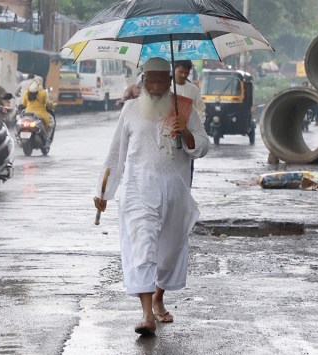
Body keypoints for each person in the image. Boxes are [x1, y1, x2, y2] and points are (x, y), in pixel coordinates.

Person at [93, 57, 209, 336]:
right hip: (137, 189)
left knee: (168, 252)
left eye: (160, 81)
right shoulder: (131, 109)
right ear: (142, 82)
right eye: (150, 81)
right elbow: (116, 152)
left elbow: (204, 145)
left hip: (174, 189)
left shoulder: (184, 108)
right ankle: (146, 314)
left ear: (169, 82)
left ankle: (158, 297)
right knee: (141, 247)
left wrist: (188, 135)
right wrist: (103, 191)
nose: (155, 87)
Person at [171, 60, 206, 186]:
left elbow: (200, 110)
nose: (183, 75)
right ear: (174, 69)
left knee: (187, 164)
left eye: (186, 73)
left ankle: (186, 190)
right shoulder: (167, 87)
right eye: (180, 72)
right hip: (168, 133)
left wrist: (196, 130)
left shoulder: (193, 90)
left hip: (187, 132)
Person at [22, 80, 55, 147]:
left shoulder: (26, 92)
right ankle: (47, 139)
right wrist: (53, 105)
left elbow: (24, 103)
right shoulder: (43, 93)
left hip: (27, 113)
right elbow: (48, 104)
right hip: (41, 114)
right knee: (51, 123)